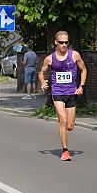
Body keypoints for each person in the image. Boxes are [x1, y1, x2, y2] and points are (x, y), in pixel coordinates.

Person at [38, 31, 87, 162]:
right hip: (57, 92)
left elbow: (84, 69)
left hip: (71, 93)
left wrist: (81, 86)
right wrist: (43, 81)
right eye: (61, 42)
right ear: (56, 42)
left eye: (66, 42)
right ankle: (65, 151)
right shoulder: (50, 58)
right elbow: (41, 73)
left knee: (70, 126)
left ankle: (65, 134)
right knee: (63, 121)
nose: (64, 45)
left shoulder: (75, 55)